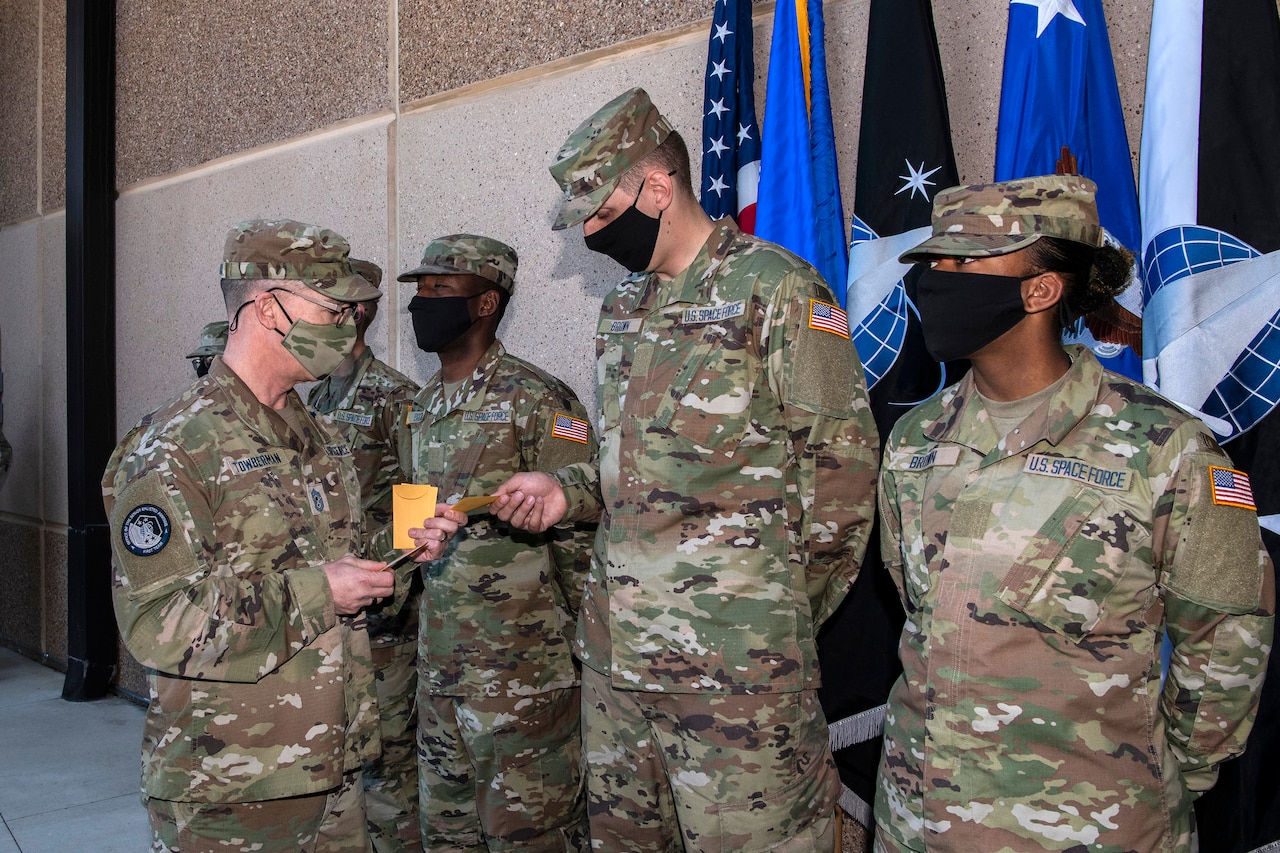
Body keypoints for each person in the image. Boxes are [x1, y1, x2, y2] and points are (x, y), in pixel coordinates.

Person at [492, 88, 880, 851]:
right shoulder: (623, 311)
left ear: (658, 189)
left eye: (602, 215)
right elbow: (629, 471)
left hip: (737, 679)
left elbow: (841, 482)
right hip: (617, 669)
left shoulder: (779, 289)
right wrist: (563, 492)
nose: (595, 236)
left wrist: (765, 619)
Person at [874, 174, 1276, 851]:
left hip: (1090, 829)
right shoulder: (915, 441)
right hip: (920, 822)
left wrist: (1160, 773)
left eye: (964, 261)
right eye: (934, 261)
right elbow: (916, 608)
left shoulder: (1164, 449)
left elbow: (1227, 636)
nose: (938, 279)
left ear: (1041, 288)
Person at [102, 218, 461, 853]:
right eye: (331, 308)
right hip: (232, 788)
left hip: (335, 770)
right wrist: (323, 590)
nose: (348, 323)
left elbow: (332, 563)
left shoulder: (318, 436)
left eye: (351, 309)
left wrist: (401, 550)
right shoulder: (174, 447)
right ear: (267, 308)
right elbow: (161, 623)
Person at [387, 233, 593, 851]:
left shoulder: (538, 399)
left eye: (441, 290)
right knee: (447, 836)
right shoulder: (417, 410)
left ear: (486, 303)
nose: (423, 302)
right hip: (440, 673)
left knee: (531, 835)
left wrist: (584, 650)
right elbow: (411, 534)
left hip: (524, 678)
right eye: (420, 291)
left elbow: (583, 538)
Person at [307, 258, 423, 852]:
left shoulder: (394, 397)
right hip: (326, 611)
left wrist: (393, 591)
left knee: (386, 764)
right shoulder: (315, 395)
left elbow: (415, 502)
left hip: (382, 611)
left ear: (354, 313)